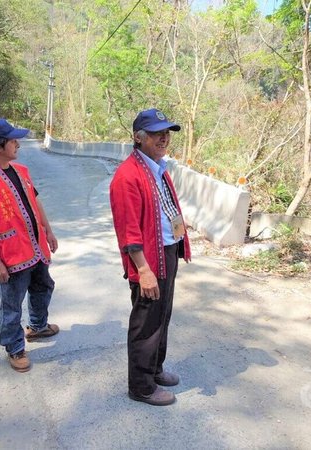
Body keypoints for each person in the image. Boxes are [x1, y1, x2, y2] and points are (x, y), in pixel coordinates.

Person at [109, 108, 192, 406]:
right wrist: (143, 270)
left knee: (162, 317)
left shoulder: (157, 167)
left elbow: (163, 211)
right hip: (147, 260)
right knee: (146, 324)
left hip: (166, 251)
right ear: (138, 137)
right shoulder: (127, 176)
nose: (164, 138)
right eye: (157, 133)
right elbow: (128, 232)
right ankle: (141, 386)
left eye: (166, 132)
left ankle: (155, 369)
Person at [0, 118, 59, 373]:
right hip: (10, 255)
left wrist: (48, 231)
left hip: (35, 247)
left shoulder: (21, 171)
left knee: (44, 286)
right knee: (11, 303)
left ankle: (38, 326)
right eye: (13, 140)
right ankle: (14, 347)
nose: (18, 144)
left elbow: (35, 202)